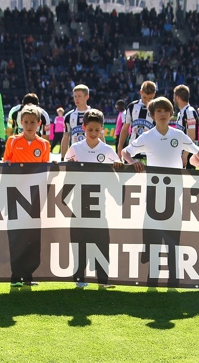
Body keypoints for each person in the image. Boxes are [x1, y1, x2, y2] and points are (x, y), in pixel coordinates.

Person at [64, 108, 122, 289]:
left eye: (97, 130)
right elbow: (65, 171)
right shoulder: (75, 148)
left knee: (102, 242)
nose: (94, 133)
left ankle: (103, 279)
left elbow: (117, 171)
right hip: (78, 203)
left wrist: (119, 166)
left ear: (102, 129)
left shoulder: (107, 150)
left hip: (99, 205)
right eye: (90, 130)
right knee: (79, 242)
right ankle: (80, 278)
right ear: (83, 128)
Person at [3, 105, 51, 287]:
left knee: (32, 234)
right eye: (26, 122)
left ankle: (29, 273)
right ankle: (15, 273)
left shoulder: (44, 144)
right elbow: (6, 163)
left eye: (33, 122)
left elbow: (44, 169)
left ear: (39, 123)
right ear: (20, 123)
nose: (29, 125)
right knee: (16, 233)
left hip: (35, 196)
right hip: (16, 194)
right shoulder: (13, 141)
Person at [122, 97, 199, 171]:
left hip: (176, 184)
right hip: (154, 184)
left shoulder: (179, 135)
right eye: (159, 111)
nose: (163, 114)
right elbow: (125, 152)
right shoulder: (146, 136)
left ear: (171, 114)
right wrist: (132, 162)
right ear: (152, 115)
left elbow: (197, 150)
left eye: (166, 111)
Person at [117, 80, 156, 160]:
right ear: (141, 92)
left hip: (150, 153)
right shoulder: (132, 107)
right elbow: (125, 129)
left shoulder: (157, 108)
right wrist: (120, 147)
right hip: (132, 151)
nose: (147, 101)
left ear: (154, 94)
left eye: (150, 98)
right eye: (145, 97)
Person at [60, 84, 92, 160]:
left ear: (87, 97)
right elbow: (66, 137)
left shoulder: (94, 114)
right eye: (75, 96)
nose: (76, 99)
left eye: (79, 96)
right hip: (74, 156)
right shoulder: (68, 116)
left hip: (91, 155)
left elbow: (100, 136)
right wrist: (62, 157)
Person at [173, 84, 199, 168]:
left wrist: (185, 155)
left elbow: (192, 136)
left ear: (177, 97)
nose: (173, 99)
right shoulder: (180, 113)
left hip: (187, 154)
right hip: (181, 152)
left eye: (174, 96)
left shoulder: (189, 112)